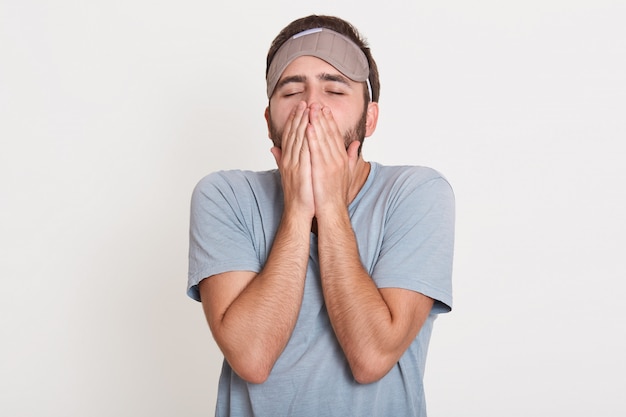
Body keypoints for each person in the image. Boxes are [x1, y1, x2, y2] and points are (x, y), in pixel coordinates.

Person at [187, 14, 455, 417]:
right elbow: (252, 358)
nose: (311, 105)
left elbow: (371, 357)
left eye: (334, 89)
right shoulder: (224, 195)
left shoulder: (417, 194)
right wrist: (298, 208)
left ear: (369, 119)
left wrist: (329, 206)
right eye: (292, 90)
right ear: (268, 120)